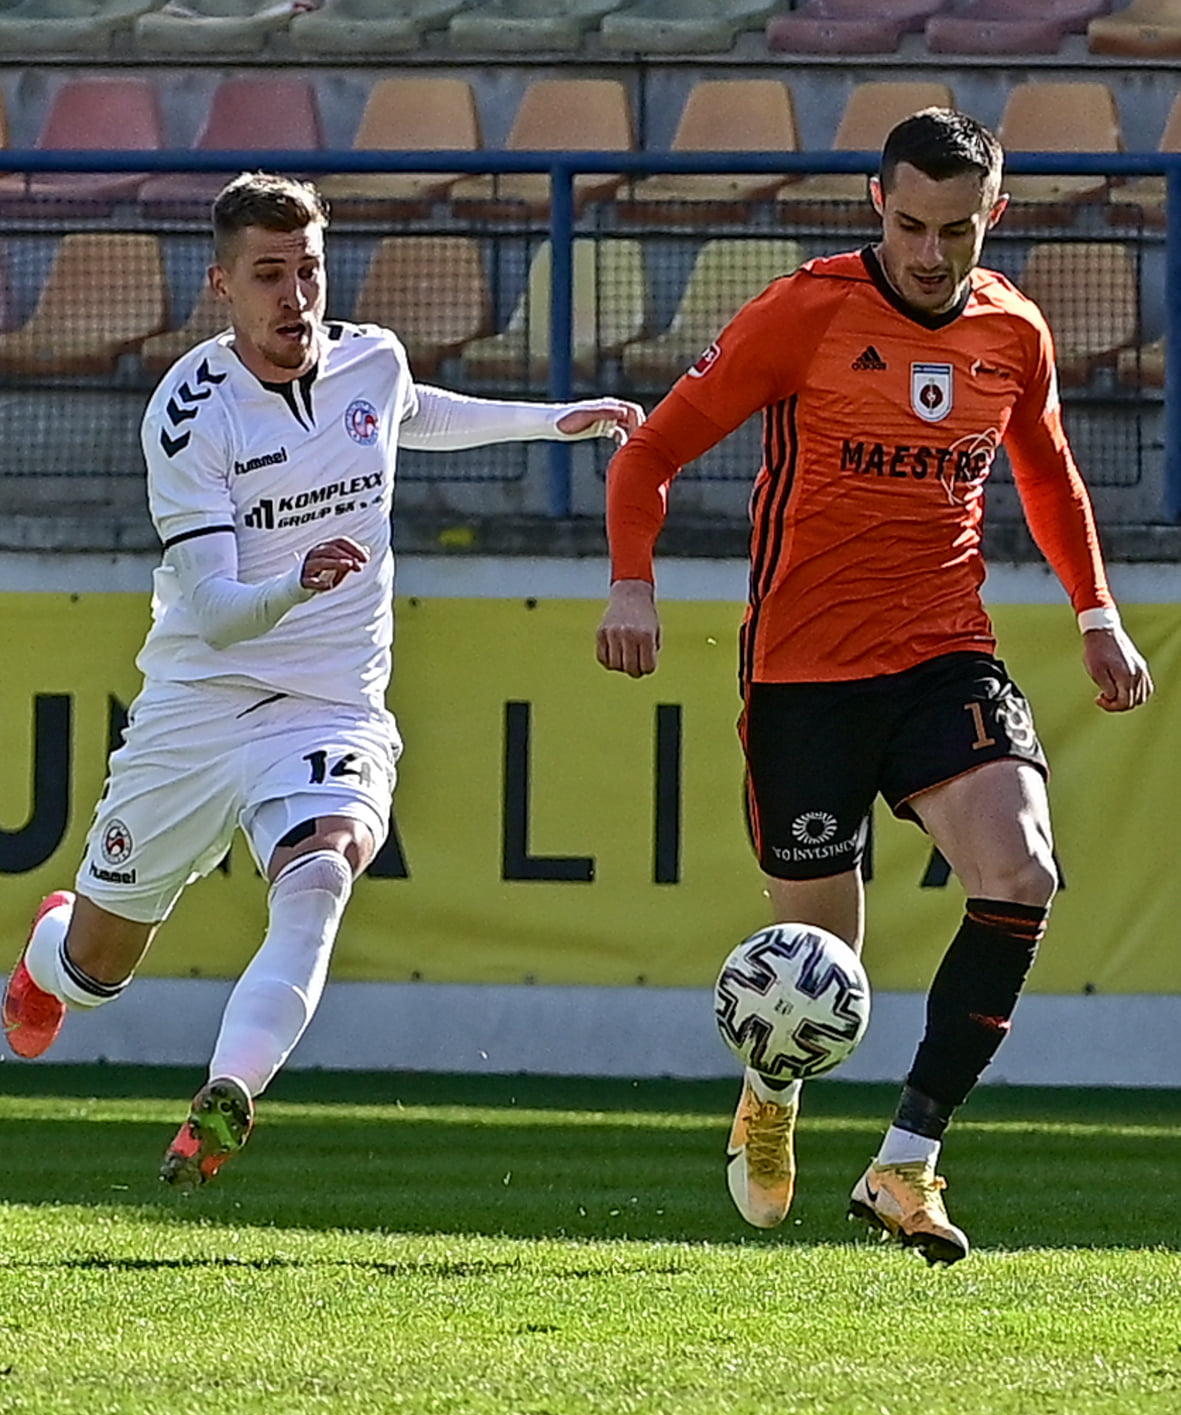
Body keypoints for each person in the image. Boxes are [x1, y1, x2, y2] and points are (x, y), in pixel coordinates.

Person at [3, 170, 644, 1190]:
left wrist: (552, 419)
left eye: (308, 269)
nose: (295, 295)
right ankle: (47, 956)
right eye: (269, 275)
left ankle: (227, 1093)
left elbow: (409, 410)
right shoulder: (189, 415)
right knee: (93, 971)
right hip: (201, 705)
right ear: (223, 284)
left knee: (321, 875)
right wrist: (295, 582)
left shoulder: (370, 358)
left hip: (333, 701)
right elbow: (217, 610)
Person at [596, 107, 1153, 1265]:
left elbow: (1046, 472)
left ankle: (904, 1161)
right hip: (802, 673)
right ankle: (770, 1092)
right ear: (875, 205)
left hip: (942, 650)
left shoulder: (1011, 330)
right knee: (818, 965)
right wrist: (631, 584)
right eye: (908, 225)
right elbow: (649, 452)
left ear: (993, 215)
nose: (928, 253)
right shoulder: (802, 313)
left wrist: (1094, 615)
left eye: (955, 229)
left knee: (1020, 868)